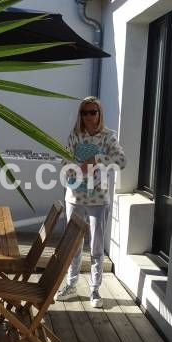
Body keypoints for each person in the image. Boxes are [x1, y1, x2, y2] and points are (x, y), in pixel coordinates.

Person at [55, 96, 126, 307]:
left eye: (92, 112)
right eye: (84, 113)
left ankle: (95, 290)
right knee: (73, 244)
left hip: (98, 199)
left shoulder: (108, 137)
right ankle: (71, 284)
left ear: (99, 114)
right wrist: (73, 170)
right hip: (75, 197)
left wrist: (96, 160)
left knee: (96, 245)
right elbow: (63, 160)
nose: (88, 117)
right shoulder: (75, 136)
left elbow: (121, 161)